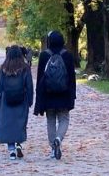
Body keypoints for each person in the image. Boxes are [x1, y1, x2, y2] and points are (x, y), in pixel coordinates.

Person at [33, 30, 77, 160]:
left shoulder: (44, 55)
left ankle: (53, 148)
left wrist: (39, 97)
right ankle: (59, 138)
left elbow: (40, 76)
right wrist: (72, 95)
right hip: (64, 94)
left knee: (50, 119)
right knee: (64, 119)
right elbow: (72, 77)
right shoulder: (67, 55)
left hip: (48, 94)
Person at [0, 45, 34, 160]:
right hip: (22, 99)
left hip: (6, 100)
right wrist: (30, 100)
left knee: (7, 124)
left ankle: (11, 149)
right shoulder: (25, 68)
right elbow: (29, 85)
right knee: (20, 123)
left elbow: (0, 86)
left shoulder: (3, 67)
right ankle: (18, 144)